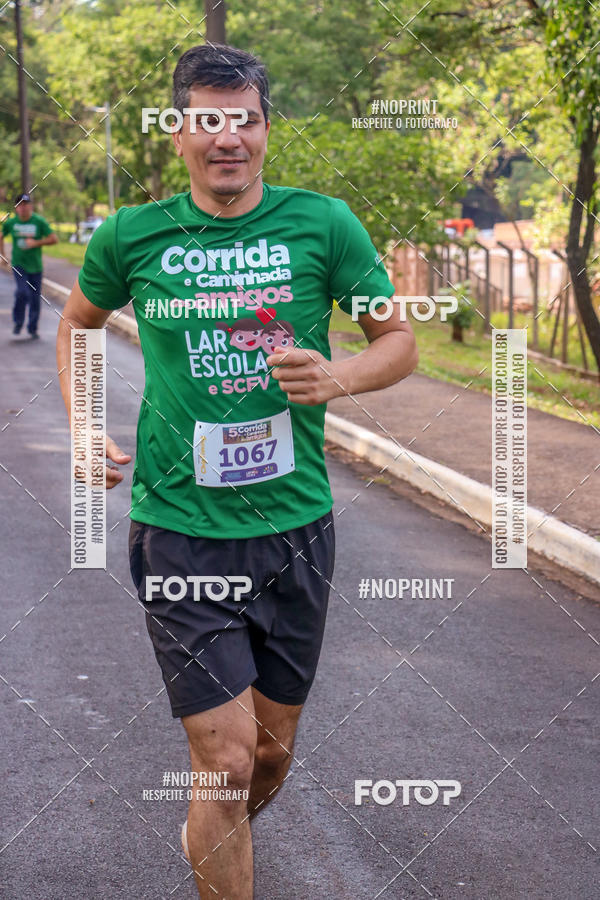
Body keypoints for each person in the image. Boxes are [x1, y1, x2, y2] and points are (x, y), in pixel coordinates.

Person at [56, 44, 418, 898]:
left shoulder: (323, 224)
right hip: (181, 535)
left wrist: (339, 376)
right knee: (220, 757)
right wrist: (82, 429)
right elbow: (76, 325)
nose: (228, 139)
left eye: (244, 120)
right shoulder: (133, 236)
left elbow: (397, 342)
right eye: (208, 121)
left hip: (294, 531)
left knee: (265, 758)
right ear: (177, 133)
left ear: (264, 130)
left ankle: (212, 837)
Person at [1, 193, 57, 338]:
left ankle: (32, 328)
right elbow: (1, 235)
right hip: (19, 264)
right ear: (16, 208)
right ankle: (18, 321)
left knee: (34, 298)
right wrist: (3, 256)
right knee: (22, 292)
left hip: (36, 266)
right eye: (19, 205)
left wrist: (36, 243)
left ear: (30, 206)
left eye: (25, 204)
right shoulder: (12, 223)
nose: (23, 207)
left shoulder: (38, 221)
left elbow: (53, 239)